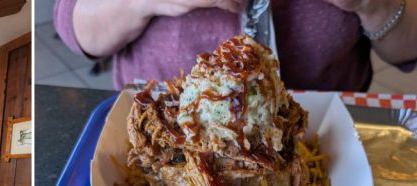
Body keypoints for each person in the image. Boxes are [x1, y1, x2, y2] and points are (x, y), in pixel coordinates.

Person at [53, 0, 417, 91]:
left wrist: (375, 4)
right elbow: (75, 31)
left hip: (332, 142)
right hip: (166, 134)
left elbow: (409, 50)